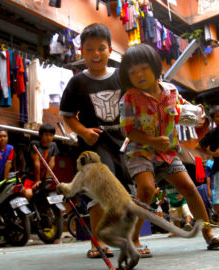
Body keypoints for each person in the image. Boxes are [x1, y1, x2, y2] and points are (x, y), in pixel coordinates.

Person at [119, 44, 219, 253]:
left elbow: (183, 109)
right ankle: (132, 239)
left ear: (154, 67)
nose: (139, 75)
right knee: (146, 189)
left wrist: (199, 114)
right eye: (132, 72)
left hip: (168, 152)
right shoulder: (129, 99)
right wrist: (152, 141)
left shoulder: (170, 90)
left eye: (143, 68)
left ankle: (208, 234)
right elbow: (128, 131)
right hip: (139, 152)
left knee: (189, 188)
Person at [60, 23, 129, 259]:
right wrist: (82, 131)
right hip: (94, 144)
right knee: (100, 189)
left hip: (123, 143)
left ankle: (125, 239)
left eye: (101, 48)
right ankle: (97, 241)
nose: (96, 54)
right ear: (82, 51)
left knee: (124, 192)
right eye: (90, 49)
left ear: (110, 50)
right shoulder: (77, 82)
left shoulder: (122, 77)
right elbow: (67, 115)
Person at [23, 124, 59, 201]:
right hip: (30, 177)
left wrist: (47, 178)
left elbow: (52, 163)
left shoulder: (53, 145)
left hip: (43, 178)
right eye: (46, 135)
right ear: (40, 135)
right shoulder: (35, 144)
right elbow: (36, 162)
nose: (49, 137)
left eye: (51, 135)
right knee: (28, 194)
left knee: (49, 196)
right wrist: (37, 180)